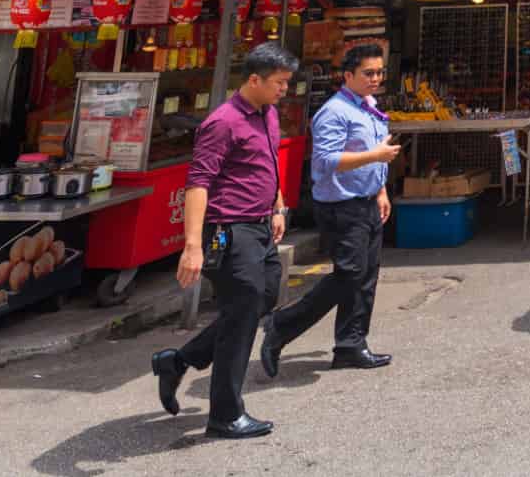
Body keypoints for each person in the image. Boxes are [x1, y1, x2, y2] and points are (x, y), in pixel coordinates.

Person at [153, 44, 296, 440]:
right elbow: (198, 183)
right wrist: (192, 245)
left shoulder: (268, 113)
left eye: (287, 83)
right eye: (279, 83)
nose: (284, 90)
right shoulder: (223, 122)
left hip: (260, 225)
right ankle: (225, 414)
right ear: (254, 79)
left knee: (262, 299)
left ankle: (179, 361)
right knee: (243, 312)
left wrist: (277, 205)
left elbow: (268, 162)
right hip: (228, 229)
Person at [260, 44, 401, 379]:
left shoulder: (369, 107)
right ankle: (283, 324)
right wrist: (375, 158)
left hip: (366, 200)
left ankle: (351, 344)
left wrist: (380, 189)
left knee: (366, 276)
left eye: (379, 72)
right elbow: (326, 160)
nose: (375, 79)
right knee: (350, 274)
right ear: (348, 75)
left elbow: (374, 152)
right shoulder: (334, 112)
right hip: (341, 206)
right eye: (368, 73)